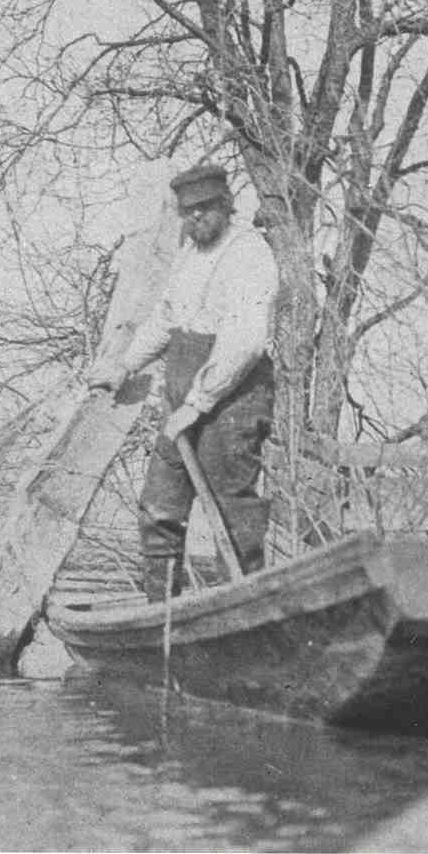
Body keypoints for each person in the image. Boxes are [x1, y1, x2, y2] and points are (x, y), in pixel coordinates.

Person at [86, 164, 281, 602]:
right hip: (182, 403)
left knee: (233, 518)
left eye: (204, 210)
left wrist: (199, 402)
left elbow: (244, 343)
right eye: (187, 212)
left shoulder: (250, 254)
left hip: (232, 402)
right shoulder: (189, 255)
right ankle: (163, 617)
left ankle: (244, 614)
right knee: (159, 511)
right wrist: (125, 365)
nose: (195, 220)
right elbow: (165, 320)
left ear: (225, 206)